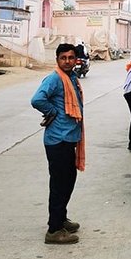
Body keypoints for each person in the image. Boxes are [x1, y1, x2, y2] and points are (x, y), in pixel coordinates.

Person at [31, 43, 85, 244]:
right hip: (58, 140)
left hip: (68, 138)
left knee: (68, 181)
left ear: (76, 59)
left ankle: (61, 218)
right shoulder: (55, 78)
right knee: (59, 184)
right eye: (63, 58)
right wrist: (52, 112)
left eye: (71, 57)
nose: (68, 61)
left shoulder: (71, 77)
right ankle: (54, 230)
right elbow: (37, 100)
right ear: (57, 60)